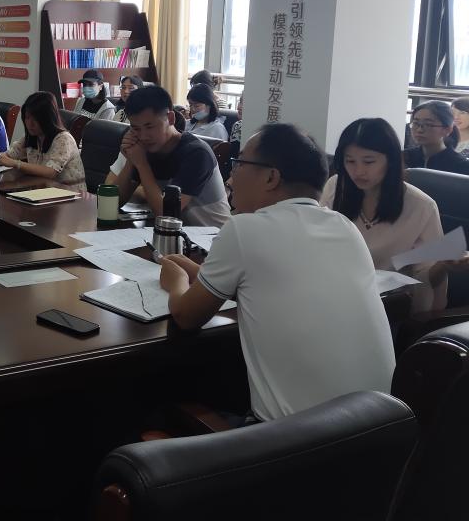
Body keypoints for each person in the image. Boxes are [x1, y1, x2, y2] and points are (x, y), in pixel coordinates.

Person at [158, 123, 395, 423]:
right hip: (378, 429)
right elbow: (274, 284)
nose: (230, 176)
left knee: (156, 408)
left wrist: (177, 281)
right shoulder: (344, 226)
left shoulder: (244, 229)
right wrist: (199, 272)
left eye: (239, 163)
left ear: (271, 177)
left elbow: (186, 316)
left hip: (292, 441)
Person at [322, 118, 466, 312]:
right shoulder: (336, 186)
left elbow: (424, 275)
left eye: (369, 162)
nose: (358, 171)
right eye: (350, 161)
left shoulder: (421, 206)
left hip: (386, 305)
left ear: (390, 160)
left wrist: (444, 265)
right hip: (333, 292)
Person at [105, 86, 230, 227]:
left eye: (150, 127)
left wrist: (141, 164)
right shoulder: (144, 149)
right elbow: (113, 203)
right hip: (173, 235)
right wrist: (131, 160)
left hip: (211, 236)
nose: (143, 136)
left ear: (170, 118)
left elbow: (166, 214)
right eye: (136, 128)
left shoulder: (197, 153)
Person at [0, 92, 85, 185]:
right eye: (27, 118)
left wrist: (16, 163)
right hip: (42, 188)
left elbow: (50, 172)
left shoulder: (63, 139)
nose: (30, 124)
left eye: (36, 119)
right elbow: (9, 155)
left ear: (48, 119)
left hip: (69, 190)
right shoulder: (32, 136)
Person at [403, 101, 469, 175]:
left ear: (447, 130)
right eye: (416, 123)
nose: (419, 130)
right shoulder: (403, 157)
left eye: (428, 124)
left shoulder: (462, 165)